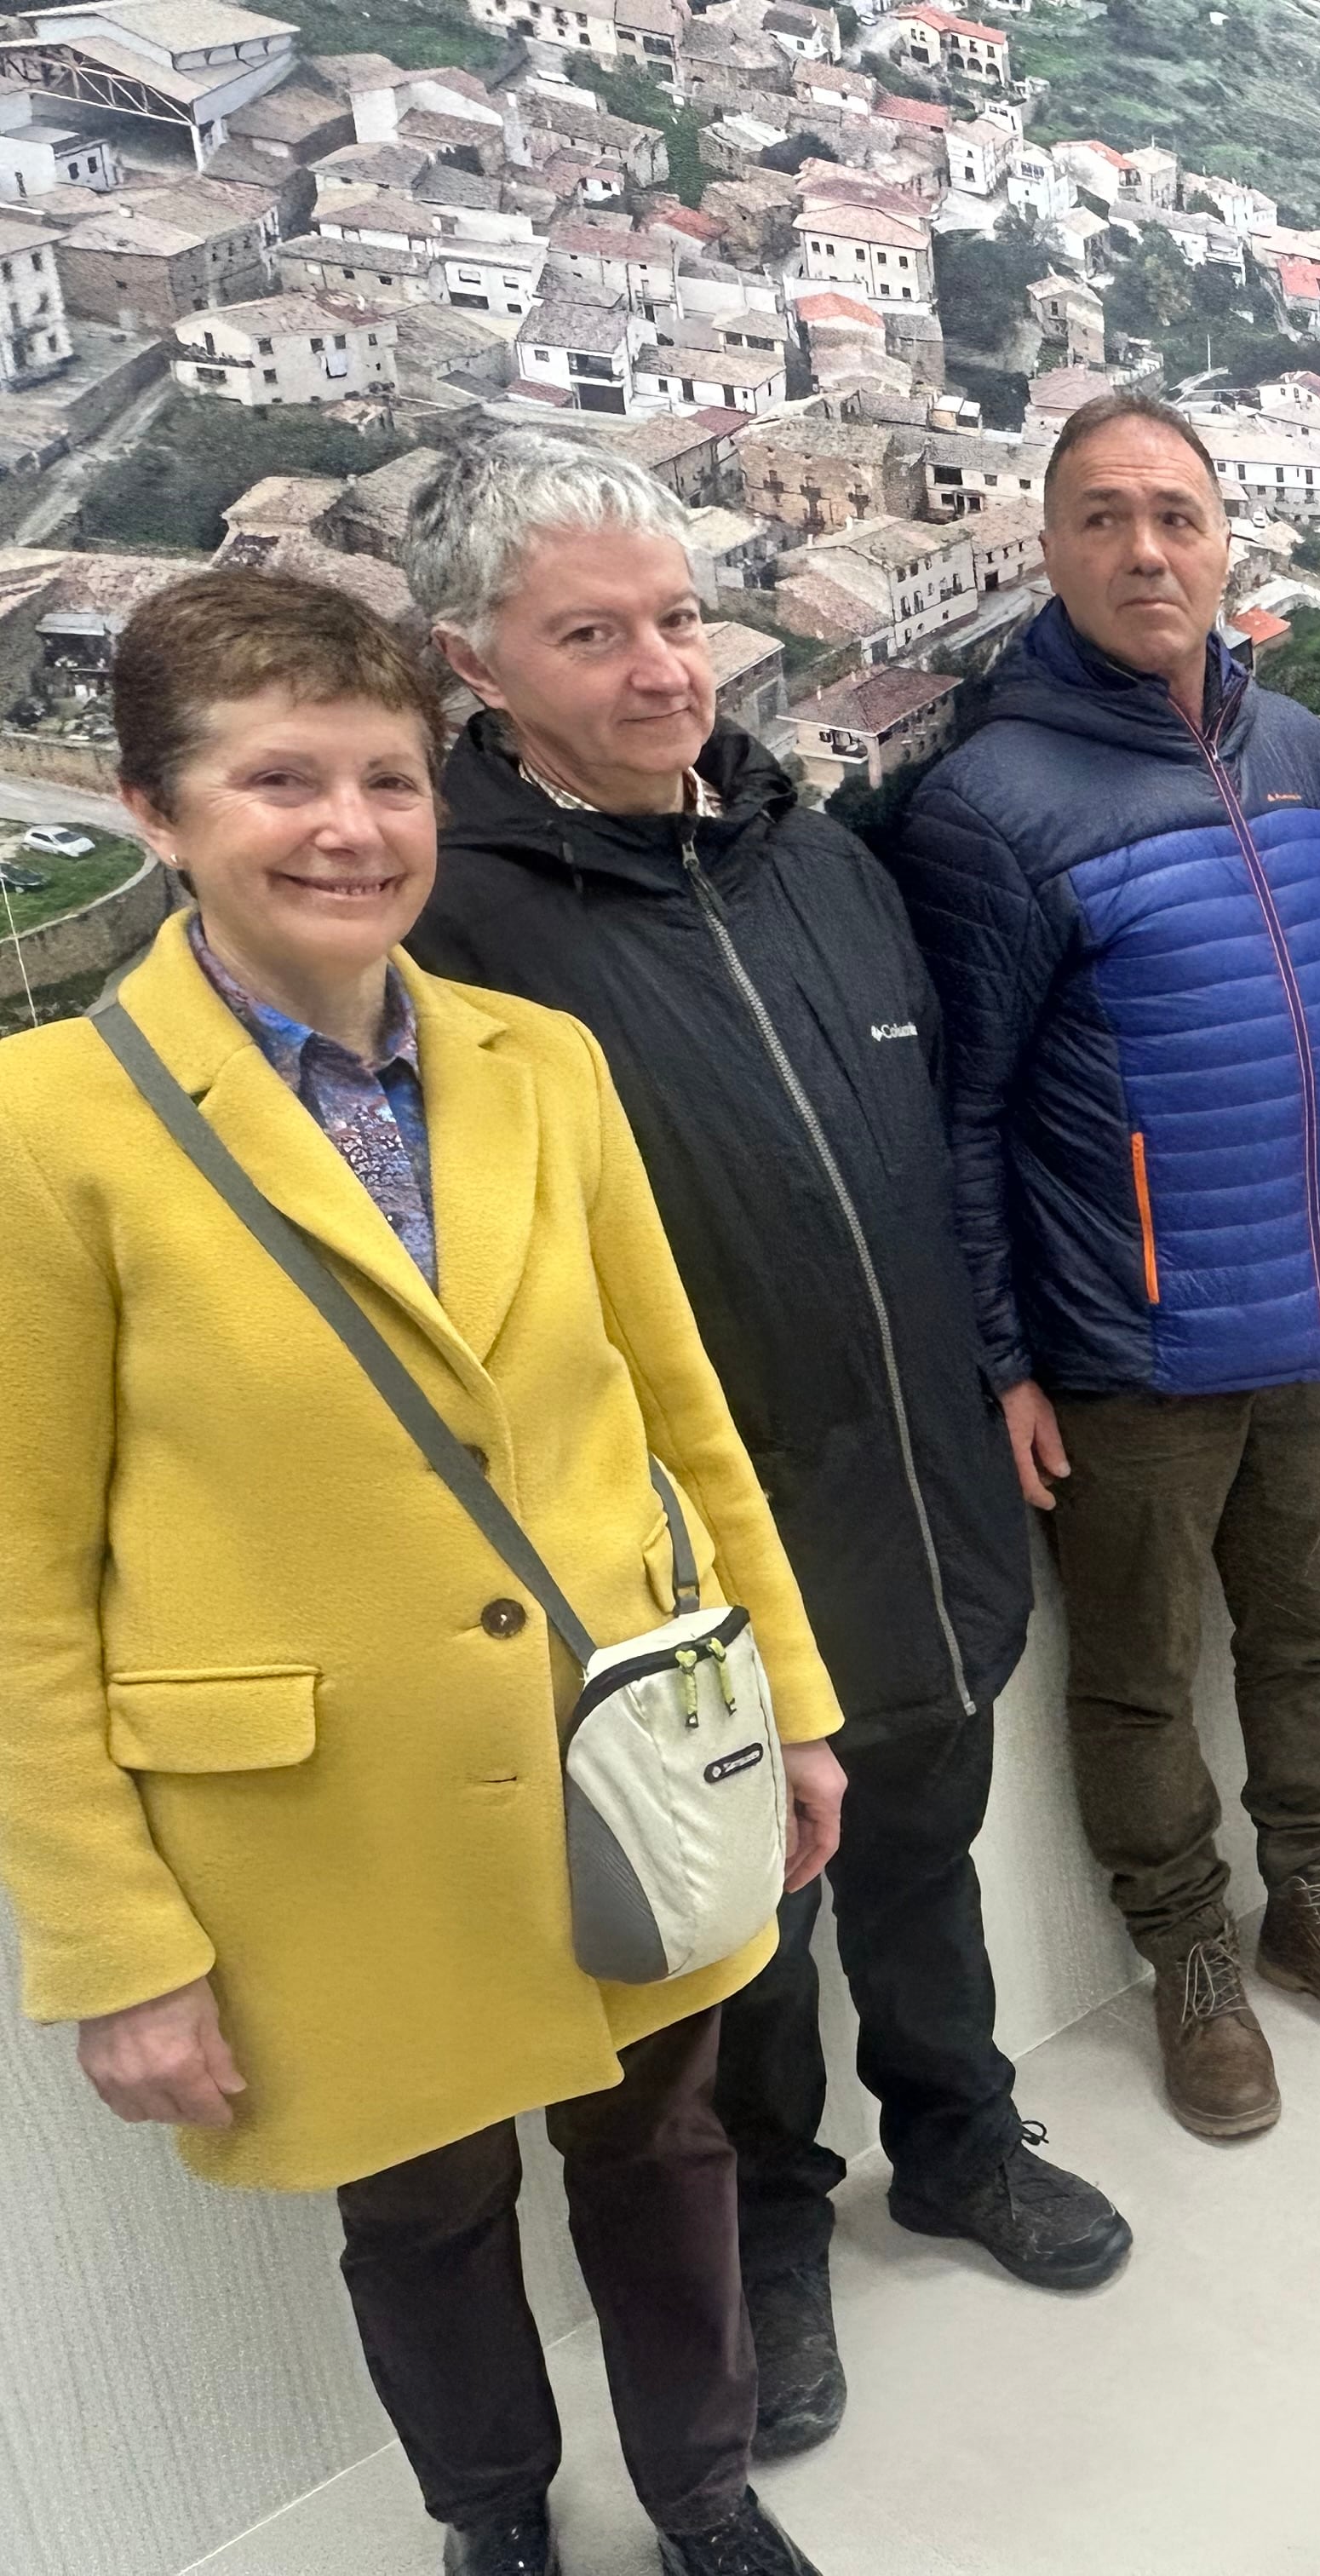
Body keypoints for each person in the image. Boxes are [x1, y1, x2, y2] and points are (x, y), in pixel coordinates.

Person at [0, 569, 842, 2576]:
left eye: (386, 776)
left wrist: (790, 1701)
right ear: (157, 810)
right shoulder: (48, 1131)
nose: (349, 828)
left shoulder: (536, 1066)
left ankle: (705, 2500)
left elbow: (677, 1405)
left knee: (666, 2151)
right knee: (423, 2206)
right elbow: (25, 1583)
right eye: (278, 777)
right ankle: (496, 2529)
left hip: (619, 1759)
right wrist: (118, 1946)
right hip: (320, 1832)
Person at [401, 433, 1125, 2468]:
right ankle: (782, 2241)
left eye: (676, 618)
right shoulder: (457, 927)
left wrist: (992, 1372)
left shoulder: (817, 856)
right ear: (477, 661)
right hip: (692, 1552)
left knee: (925, 1854)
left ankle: (967, 2142)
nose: (662, 669)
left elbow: (934, 1157)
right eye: (591, 635)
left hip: (921, 1486)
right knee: (748, 1933)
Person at [891, 391, 1320, 2144]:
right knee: (1136, 1674)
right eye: (1107, 517)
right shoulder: (988, 801)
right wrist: (1006, 1358)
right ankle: (1190, 1955)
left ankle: (1317, 1906)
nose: (1149, 549)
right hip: (1123, 1346)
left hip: (1307, 1321)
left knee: (1306, 1642)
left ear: (1226, 544)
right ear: (1047, 545)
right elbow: (964, 1115)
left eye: (1180, 516)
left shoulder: (1294, 748)